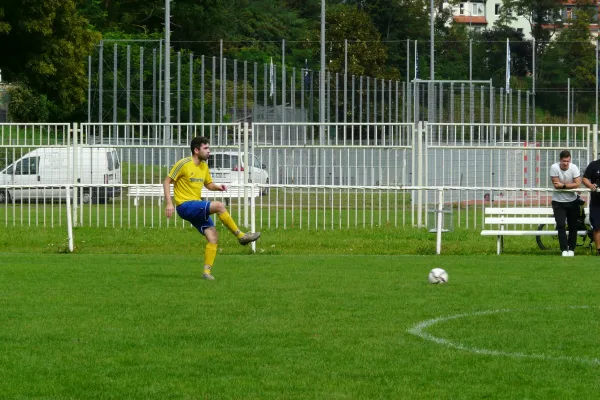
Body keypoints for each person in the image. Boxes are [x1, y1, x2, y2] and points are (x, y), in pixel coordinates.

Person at [163, 136, 261, 280]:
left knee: (213, 237)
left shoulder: (204, 166)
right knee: (219, 206)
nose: (209, 151)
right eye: (206, 148)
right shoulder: (183, 163)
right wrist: (169, 203)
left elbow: (208, 184)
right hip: (185, 206)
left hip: (195, 206)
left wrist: (218, 187)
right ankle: (241, 236)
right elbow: (167, 181)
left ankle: (206, 273)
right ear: (196, 150)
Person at [549, 150, 581, 257]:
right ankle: (564, 249)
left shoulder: (574, 167)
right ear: (560, 160)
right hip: (558, 202)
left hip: (573, 201)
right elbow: (556, 185)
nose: (566, 163)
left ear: (570, 160)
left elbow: (577, 183)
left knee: (573, 225)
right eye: (564, 161)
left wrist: (563, 186)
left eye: (567, 161)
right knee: (561, 225)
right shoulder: (554, 167)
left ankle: (571, 248)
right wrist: (569, 185)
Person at [582, 157, 600, 256]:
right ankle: (599, 249)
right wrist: (590, 185)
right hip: (596, 201)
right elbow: (584, 178)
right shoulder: (594, 165)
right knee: (597, 227)